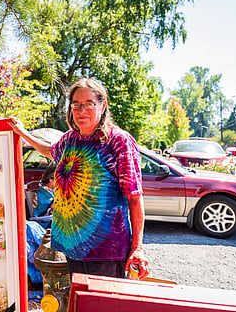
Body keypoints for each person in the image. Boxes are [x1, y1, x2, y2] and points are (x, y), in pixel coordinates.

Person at [10, 77, 149, 279]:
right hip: (72, 248)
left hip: (105, 253)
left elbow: (135, 198)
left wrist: (137, 247)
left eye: (89, 104)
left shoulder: (118, 141)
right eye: (76, 105)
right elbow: (49, 151)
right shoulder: (70, 139)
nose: (81, 110)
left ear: (103, 106)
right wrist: (22, 133)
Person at [32, 164, 56, 228]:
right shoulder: (43, 192)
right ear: (51, 180)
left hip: (48, 220)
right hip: (44, 222)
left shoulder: (46, 191)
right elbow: (54, 207)